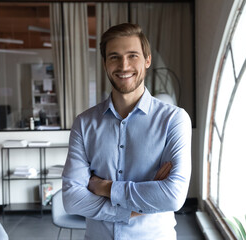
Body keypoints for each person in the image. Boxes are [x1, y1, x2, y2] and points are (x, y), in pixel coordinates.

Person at [62, 23, 192, 240]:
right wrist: (134, 207)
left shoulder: (173, 120)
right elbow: (71, 198)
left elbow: (172, 196)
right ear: (105, 63)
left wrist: (105, 188)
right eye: (114, 57)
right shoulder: (84, 123)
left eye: (133, 55)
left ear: (147, 60)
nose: (124, 65)